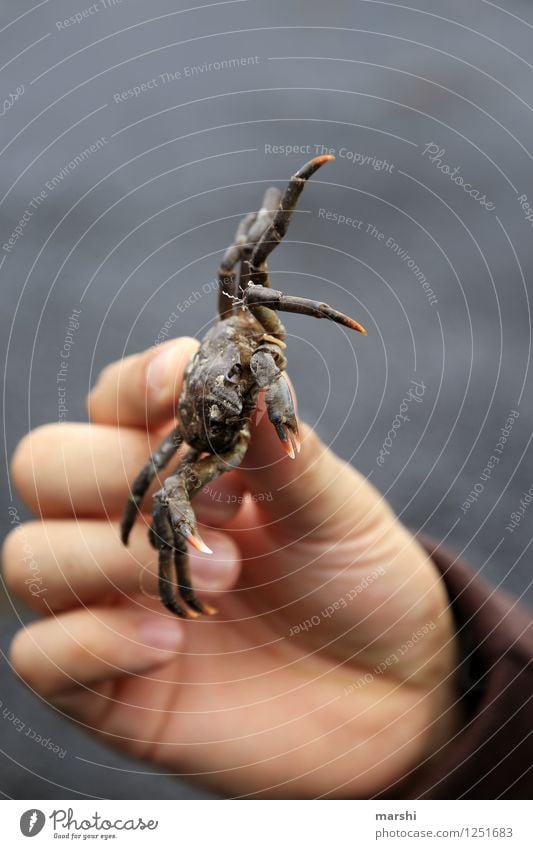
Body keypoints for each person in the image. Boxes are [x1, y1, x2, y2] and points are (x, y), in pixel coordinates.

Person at [3, 338, 532, 798]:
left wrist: (447, 700)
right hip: (194, 469)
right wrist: (446, 728)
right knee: (164, 501)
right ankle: (179, 586)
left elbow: (258, 341)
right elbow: (151, 481)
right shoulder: (186, 449)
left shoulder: (249, 356)